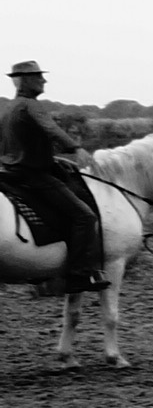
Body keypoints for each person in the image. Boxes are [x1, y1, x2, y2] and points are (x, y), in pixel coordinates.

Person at [0, 59, 102, 291]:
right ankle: (78, 275)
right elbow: (51, 129)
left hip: (9, 173)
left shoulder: (9, 109)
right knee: (85, 217)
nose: (43, 80)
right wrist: (75, 148)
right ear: (25, 81)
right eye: (38, 76)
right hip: (32, 176)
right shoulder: (31, 105)